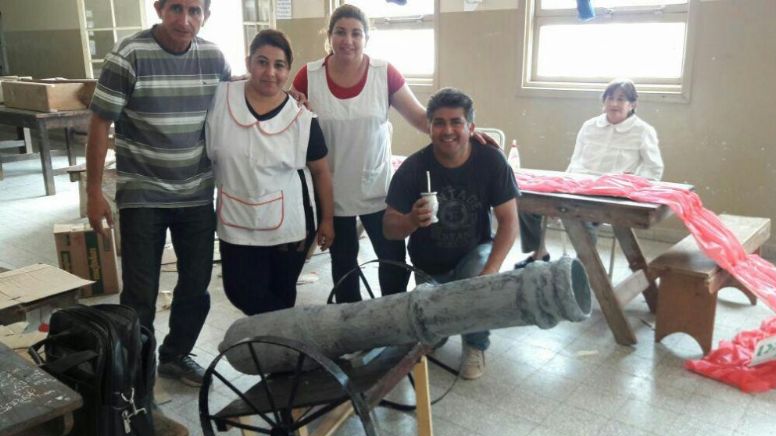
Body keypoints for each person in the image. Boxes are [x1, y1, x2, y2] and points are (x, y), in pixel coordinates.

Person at [291, 5, 497, 303]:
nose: (348, 40)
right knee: (343, 263)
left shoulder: (383, 73)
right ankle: (350, 323)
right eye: (340, 32)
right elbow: (287, 116)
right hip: (332, 191)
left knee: (393, 260)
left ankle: (394, 318)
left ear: (367, 38)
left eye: (356, 33)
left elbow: (420, 118)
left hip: (378, 188)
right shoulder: (309, 75)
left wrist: (463, 134)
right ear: (329, 36)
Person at [85, 0, 230, 388]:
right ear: (159, 8)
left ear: (206, 15)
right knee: (141, 291)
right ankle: (134, 368)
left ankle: (175, 356)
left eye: (195, 11)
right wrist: (93, 192)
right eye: (176, 8)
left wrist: (287, 96)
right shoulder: (129, 55)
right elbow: (99, 124)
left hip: (196, 193)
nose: (185, 19)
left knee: (196, 285)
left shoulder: (214, 58)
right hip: (142, 193)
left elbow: (236, 109)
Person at [383, 88, 520, 380]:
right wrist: (410, 220)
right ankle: (439, 331)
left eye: (456, 122)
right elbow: (389, 228)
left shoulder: (491, 161)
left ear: (471, 127)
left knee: (476, 283)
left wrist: (491, 270)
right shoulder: (414, 167)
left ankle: (475, 345)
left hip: (474, 251)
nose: (447, 131)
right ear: (429, 127)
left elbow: (509, 222)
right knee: (435, 327)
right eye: (439, 123)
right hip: (429, 262)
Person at [205, 30, 334, 316]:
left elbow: (321, 172)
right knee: (240, 291)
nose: (270, 72)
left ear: (288, 70)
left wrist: (327, 220)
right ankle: (295, 333)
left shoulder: (301, 116)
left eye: (279, 65)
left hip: (289, 225)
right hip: (236, 219)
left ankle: (280, 341)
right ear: (248, 62)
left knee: (282, 295)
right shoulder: (221, 97)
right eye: (262, 62)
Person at [515, 78, 664, 268]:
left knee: (576, 212)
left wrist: (634, 188)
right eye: (610, 98)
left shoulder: (643, 131)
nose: (614, 103)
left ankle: (585, 265)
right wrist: (560, 191)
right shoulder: (589, 126)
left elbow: (653, 168)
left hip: (611, 192)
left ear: (633, 104)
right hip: (577, 185)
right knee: (526, 200)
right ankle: (539, 252)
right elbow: (575, 161)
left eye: (621, 99)